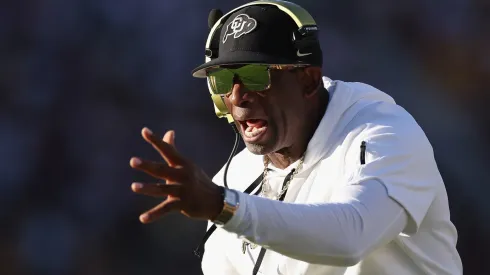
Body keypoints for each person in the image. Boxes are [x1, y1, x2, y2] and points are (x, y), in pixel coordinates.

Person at [129, 1, 462, 274]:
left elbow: (352, 235)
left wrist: (224, 207)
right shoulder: (234, 178)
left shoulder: (384, 132)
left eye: (254, 75)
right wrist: (224, 204)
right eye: (222, 80)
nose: (237, 95)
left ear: (308, 81)